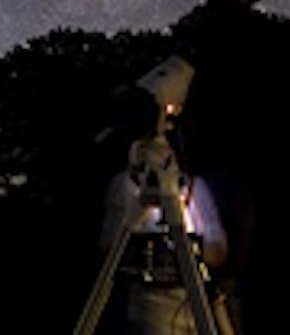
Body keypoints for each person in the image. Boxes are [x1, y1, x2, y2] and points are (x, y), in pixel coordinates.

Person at [98, 127, 238, 335]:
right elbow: (110, 247)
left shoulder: (193, 187)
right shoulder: (125, 186)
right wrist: (143, 207)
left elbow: (218, 252)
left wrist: (188, 244)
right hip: (149, 308)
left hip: (196, 305)